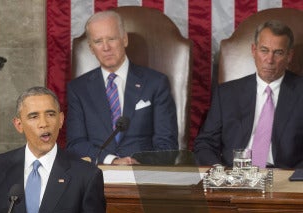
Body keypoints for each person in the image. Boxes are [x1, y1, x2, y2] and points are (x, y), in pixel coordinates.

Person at [66, 10, 178, 165]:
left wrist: (138, 163)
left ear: (124, 39)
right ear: (91, 48)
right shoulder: (78, 89)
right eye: (98, 41)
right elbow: (75, 144)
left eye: (111, 39)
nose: (106, 48)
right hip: (97, 173)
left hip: (142, 174)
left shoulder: (156, 83)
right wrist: (111, 161)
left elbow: (167, 144)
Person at [194, 20, 303, 169]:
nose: (269, 60)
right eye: (264, 50)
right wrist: (219, 171)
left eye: (278, 53)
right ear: (254, 50)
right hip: (234, 174)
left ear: (289, 56)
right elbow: (205, 143)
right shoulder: (227, 93)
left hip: (286, 177)